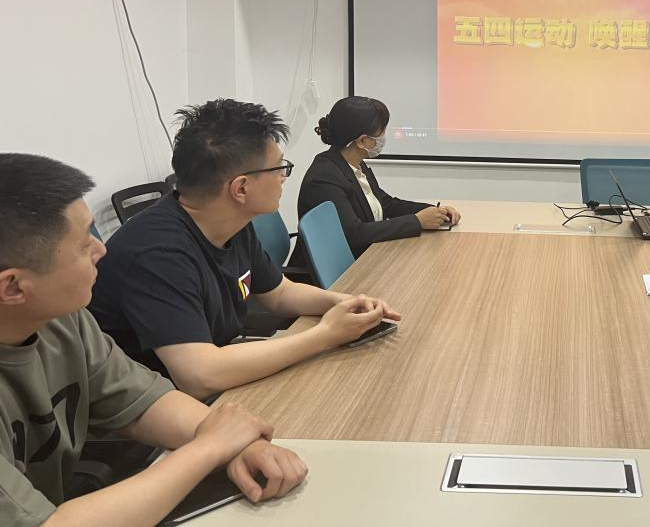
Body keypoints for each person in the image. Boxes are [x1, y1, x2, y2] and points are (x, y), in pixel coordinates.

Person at [0, 153, 307, 527]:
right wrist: (210, 447)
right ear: (13, 287)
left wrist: (239, 442)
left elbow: (143, 401)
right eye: (83, 245)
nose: (102, 250)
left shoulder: (63, 320)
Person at [89, 99, 401, 400]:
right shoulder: (157, 253)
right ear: (241, 188)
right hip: (153, 409)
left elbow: (279, 294)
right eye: (279, 168)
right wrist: (326, 334)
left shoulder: (230, 222)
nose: (283, 178)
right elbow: (199, 376)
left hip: (212, 377)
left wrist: (346, 302)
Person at [295, 96, 460, 257]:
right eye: (382, 131)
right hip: (343, 268)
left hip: (369, 255)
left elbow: (386, 204)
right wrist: (417, 221)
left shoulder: (355, 164)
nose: (384, 137)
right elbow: (354, 234)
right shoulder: (324, 177)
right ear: (362, 141)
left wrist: (434, 212)